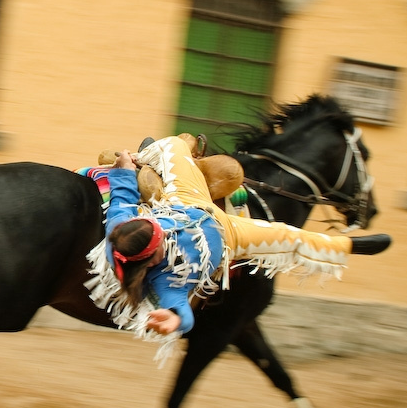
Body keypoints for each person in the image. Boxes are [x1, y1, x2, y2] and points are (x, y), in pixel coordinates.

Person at [86, 135, 391, 361]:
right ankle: (347, 245)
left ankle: (153, 155)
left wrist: (125, 168)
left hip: (183, 203)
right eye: (161, 241)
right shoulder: (169, 277)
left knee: (174, 145)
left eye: (157, 228)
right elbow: (180, 307)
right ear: (152, 259)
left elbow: (122, 200)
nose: (164, 234)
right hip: (227, 234)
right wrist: (175, 320)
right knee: (288, 237)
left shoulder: (119, 230)